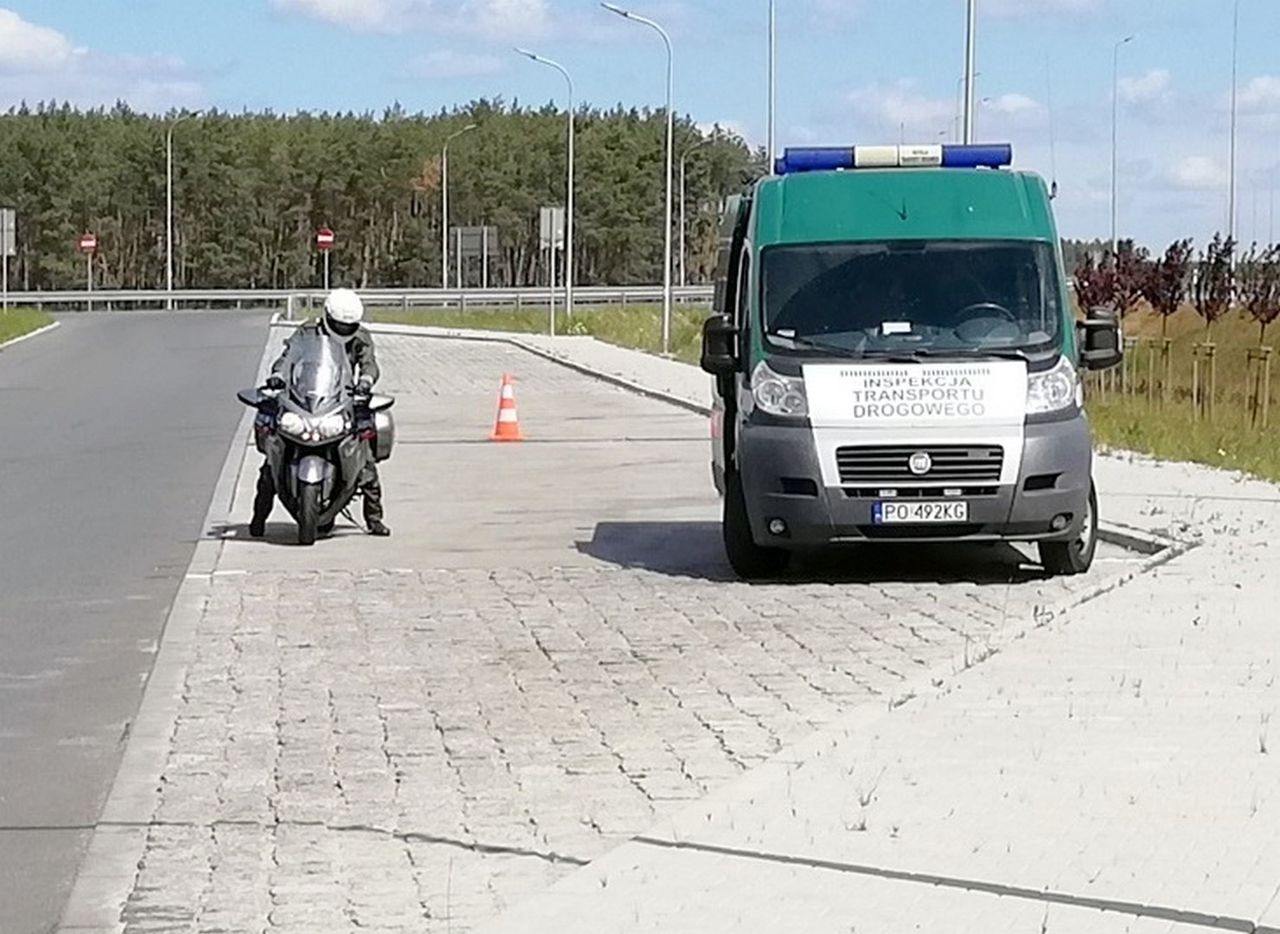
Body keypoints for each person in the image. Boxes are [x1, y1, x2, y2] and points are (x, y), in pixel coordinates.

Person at [250, 288, 391, 538]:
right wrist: (277, 376)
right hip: (305, 396)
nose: (344, 329)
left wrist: (366, 381)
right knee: (272, 459)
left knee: (365, 461)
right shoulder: (307, 331)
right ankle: (258, 518)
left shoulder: (360, 335)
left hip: (344, 400)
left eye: (349, 325)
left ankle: (374, 519)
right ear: (327, 316)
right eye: (339, 325)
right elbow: (289, 356)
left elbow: (369, 362)